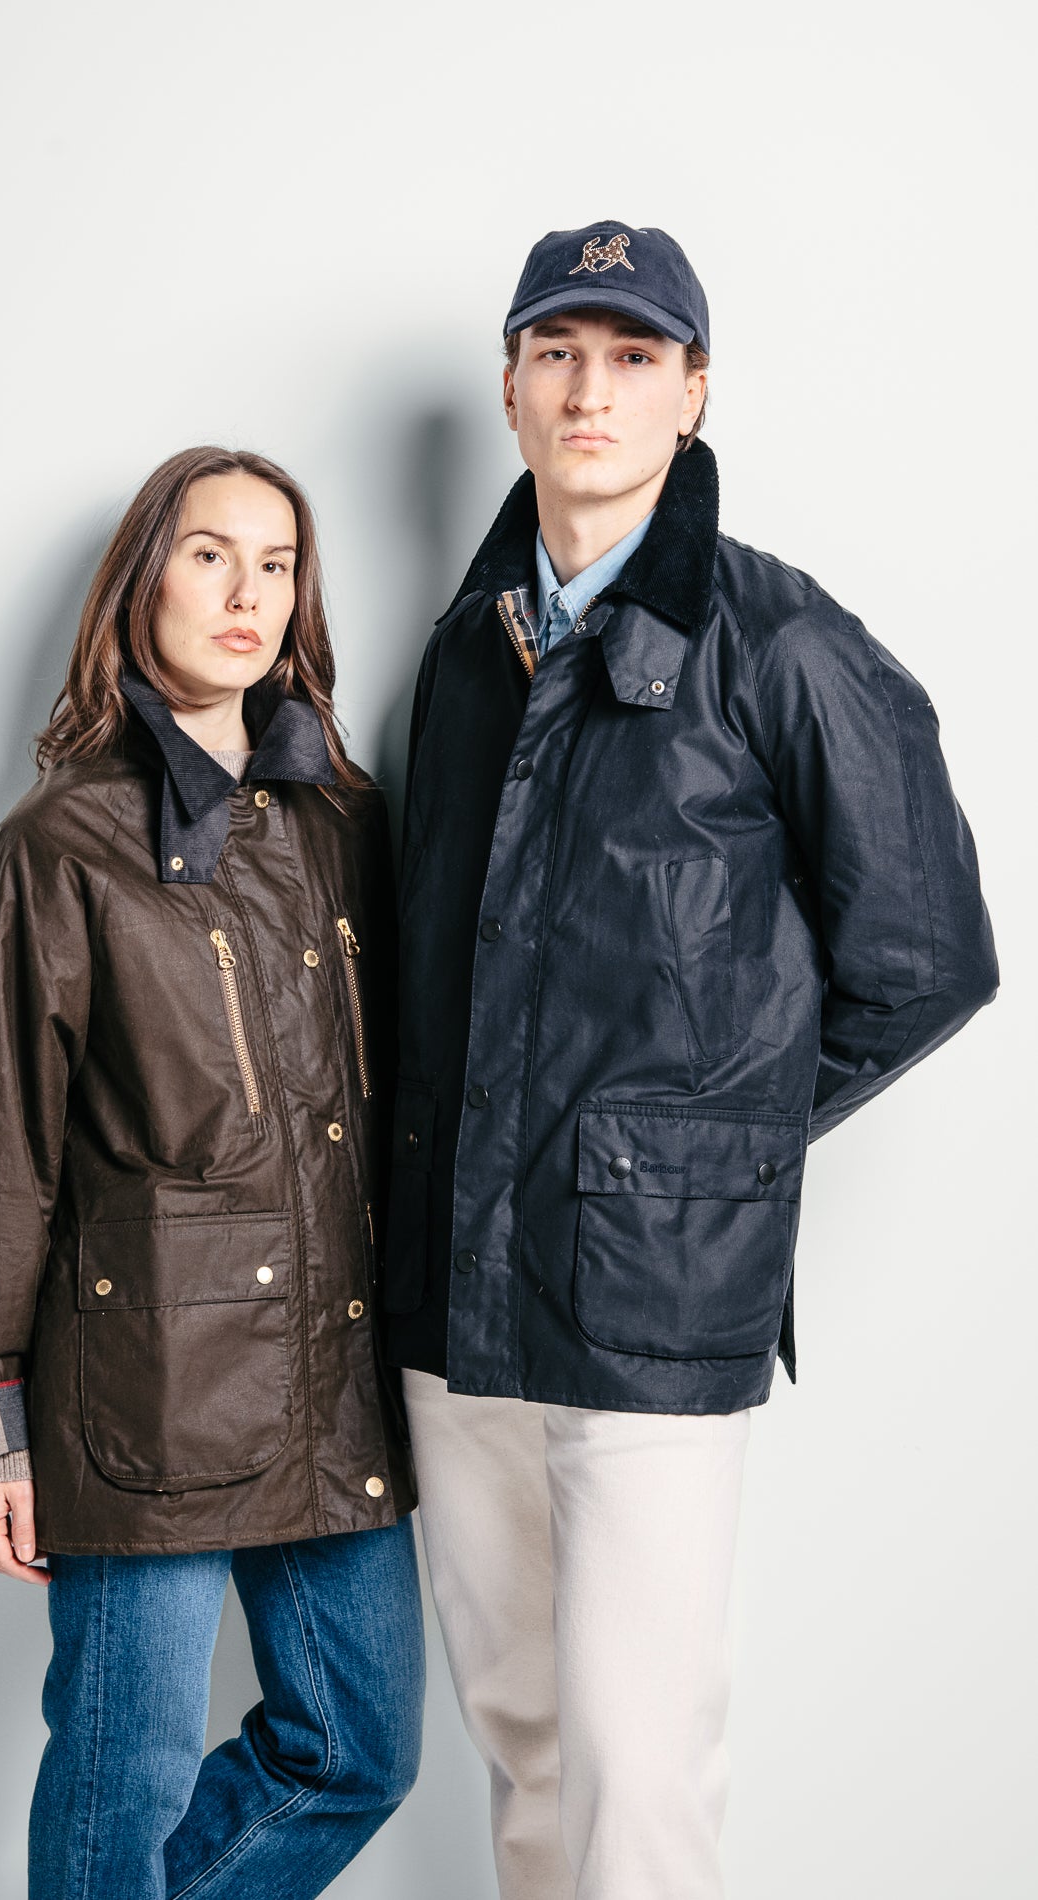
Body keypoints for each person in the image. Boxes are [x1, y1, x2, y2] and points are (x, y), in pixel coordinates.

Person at [381, 222, 998, 1900]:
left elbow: (931, 959)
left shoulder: (785, 645)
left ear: (695, 393)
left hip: (653, 1302)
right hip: (455, 1298)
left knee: (639, 1773)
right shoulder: (466, 650)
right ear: (511, 390)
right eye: (559, 354)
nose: (592, 390)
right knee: (525, 1746)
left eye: (634, 356)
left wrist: (699, 1154)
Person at [0, 446, 424, 1900]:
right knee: (121, 1783)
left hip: (335, 1374)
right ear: (142, 579)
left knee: (359, 1751)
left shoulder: (344, 821)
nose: (246, 594)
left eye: (277, 566)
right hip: (143, 1391)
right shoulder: (59, 847)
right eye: (211, 555)